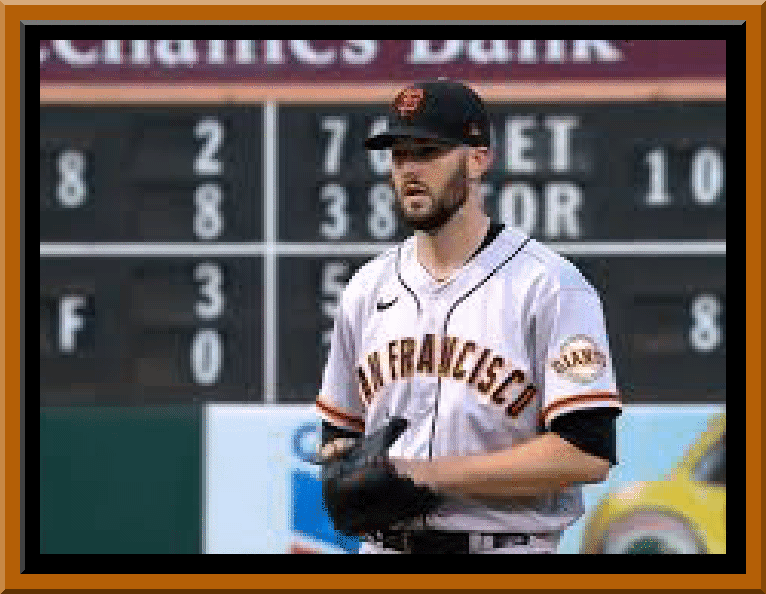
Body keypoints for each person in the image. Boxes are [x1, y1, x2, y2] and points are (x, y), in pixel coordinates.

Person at [316, 80, 621, 554]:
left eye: (427, 152)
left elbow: (586, 453)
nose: (409, 169)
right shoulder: (366, 287)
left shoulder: (548, 285)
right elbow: (339, 431)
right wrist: (341, 467)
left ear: (478, 160)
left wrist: (429, 475)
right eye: (399, 155)